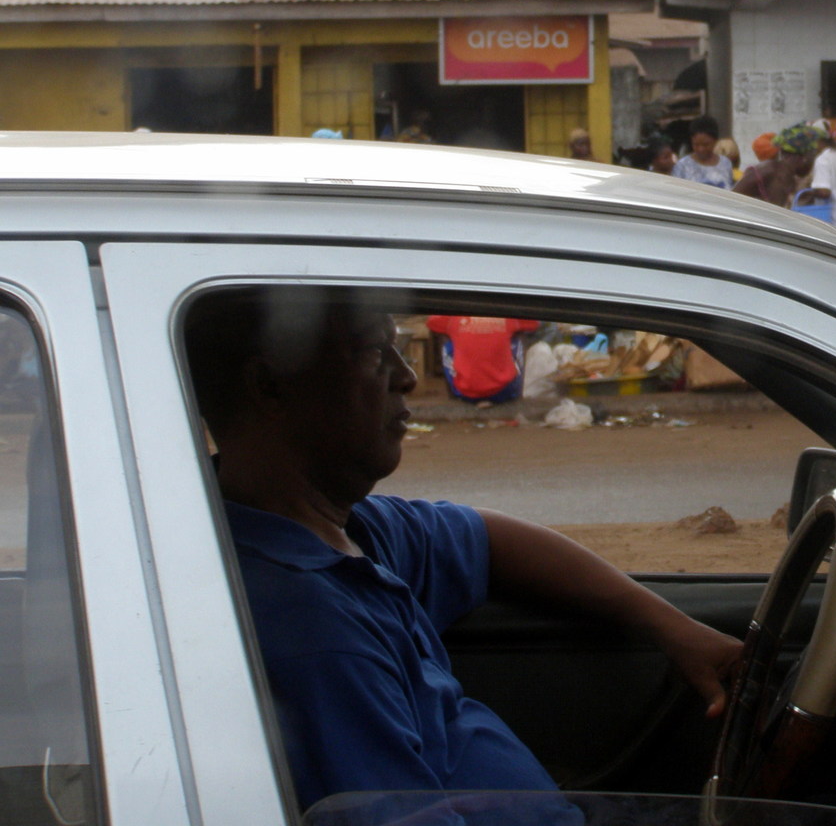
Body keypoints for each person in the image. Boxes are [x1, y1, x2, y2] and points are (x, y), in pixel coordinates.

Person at [185, 291, 740, 812]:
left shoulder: (338, 531)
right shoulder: (314, 637)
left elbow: (484, 539)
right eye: (375, 353)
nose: (405, 377)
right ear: (270, 387)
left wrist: (674, 629)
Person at [426, 315, 543, 404]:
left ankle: (452, 395)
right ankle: (518, 394)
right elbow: (534, 323)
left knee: (447, 343)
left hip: (465, 393)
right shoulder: (507, 316)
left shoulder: (454, 318)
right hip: (505, 393)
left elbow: (431, 322)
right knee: (517, 340)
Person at [733, 123, 823, 207]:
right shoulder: (773, 174)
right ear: (804, 157)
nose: (813, 162)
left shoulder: (785, 174)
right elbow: (731, 200)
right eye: (813, 156)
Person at [671, 115, 736, 190]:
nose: (701, 149)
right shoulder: (682, 166)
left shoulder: (725, 163)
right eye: (696, 144)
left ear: (715, 141)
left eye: (706, 145)